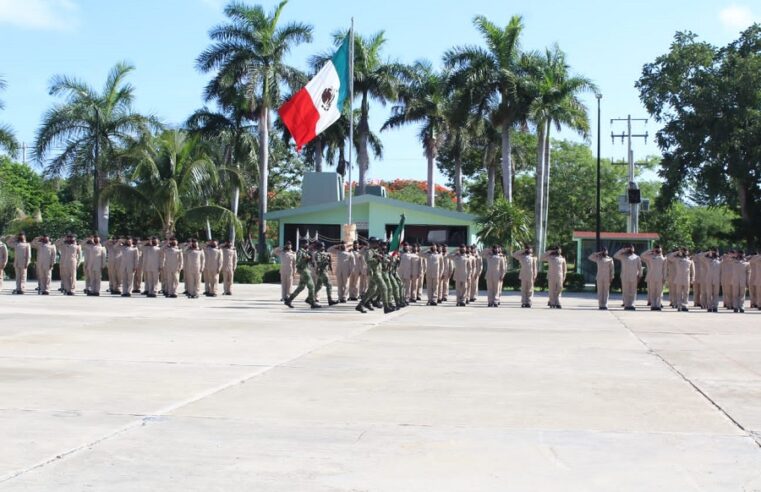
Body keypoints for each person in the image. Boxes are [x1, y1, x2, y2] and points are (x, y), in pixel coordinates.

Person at [285, 242, 319, 309]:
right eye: (306, 244)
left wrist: (309, 259)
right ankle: (312, 302)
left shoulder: (306, 251)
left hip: (306, 269)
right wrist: (306, 258)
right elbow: (298, 261)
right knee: (312, 286)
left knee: (301, 287)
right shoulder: (300, 252)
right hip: (304, 270)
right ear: (303, 245)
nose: (307, 245)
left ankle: (289, 300)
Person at [614, 245, 643, 311]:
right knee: (625, 291)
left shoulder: (637, 257)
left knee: (633, 291)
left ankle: (632, 304)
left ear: (634, 249)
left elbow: (640, 267)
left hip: (634, 277)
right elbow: (615, 255)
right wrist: (623, 250)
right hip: (625, 276)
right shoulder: (623, 256)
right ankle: (627, 305)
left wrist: (640, 276)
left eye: (632, 248)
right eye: (629, 248)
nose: (630, 249)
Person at [641, 246, 667, 311]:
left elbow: (665, 269)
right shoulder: (650, 257)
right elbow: (642, 255)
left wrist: (664, 278)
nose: (658, 252)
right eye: (657, 250)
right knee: (652, 292)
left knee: (659, 292)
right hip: (651, 277)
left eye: (659, 251)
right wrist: (651, 250)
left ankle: (658, 305)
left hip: (660, 277)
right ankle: (653, 305)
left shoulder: (663, 259)